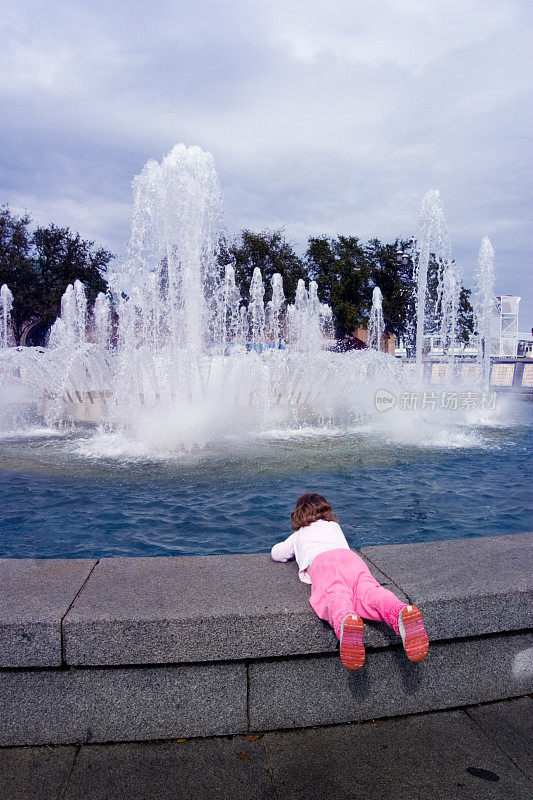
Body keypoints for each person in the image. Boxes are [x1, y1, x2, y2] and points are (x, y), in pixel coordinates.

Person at [271, 492, 429, 671]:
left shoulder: (299, 534)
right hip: (351, 559)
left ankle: (346, 620)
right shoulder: (334, 527)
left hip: (324, 563)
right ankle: (399, 611)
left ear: (298, 514)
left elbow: (279, 553)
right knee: (370, 591)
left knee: (336, 593)